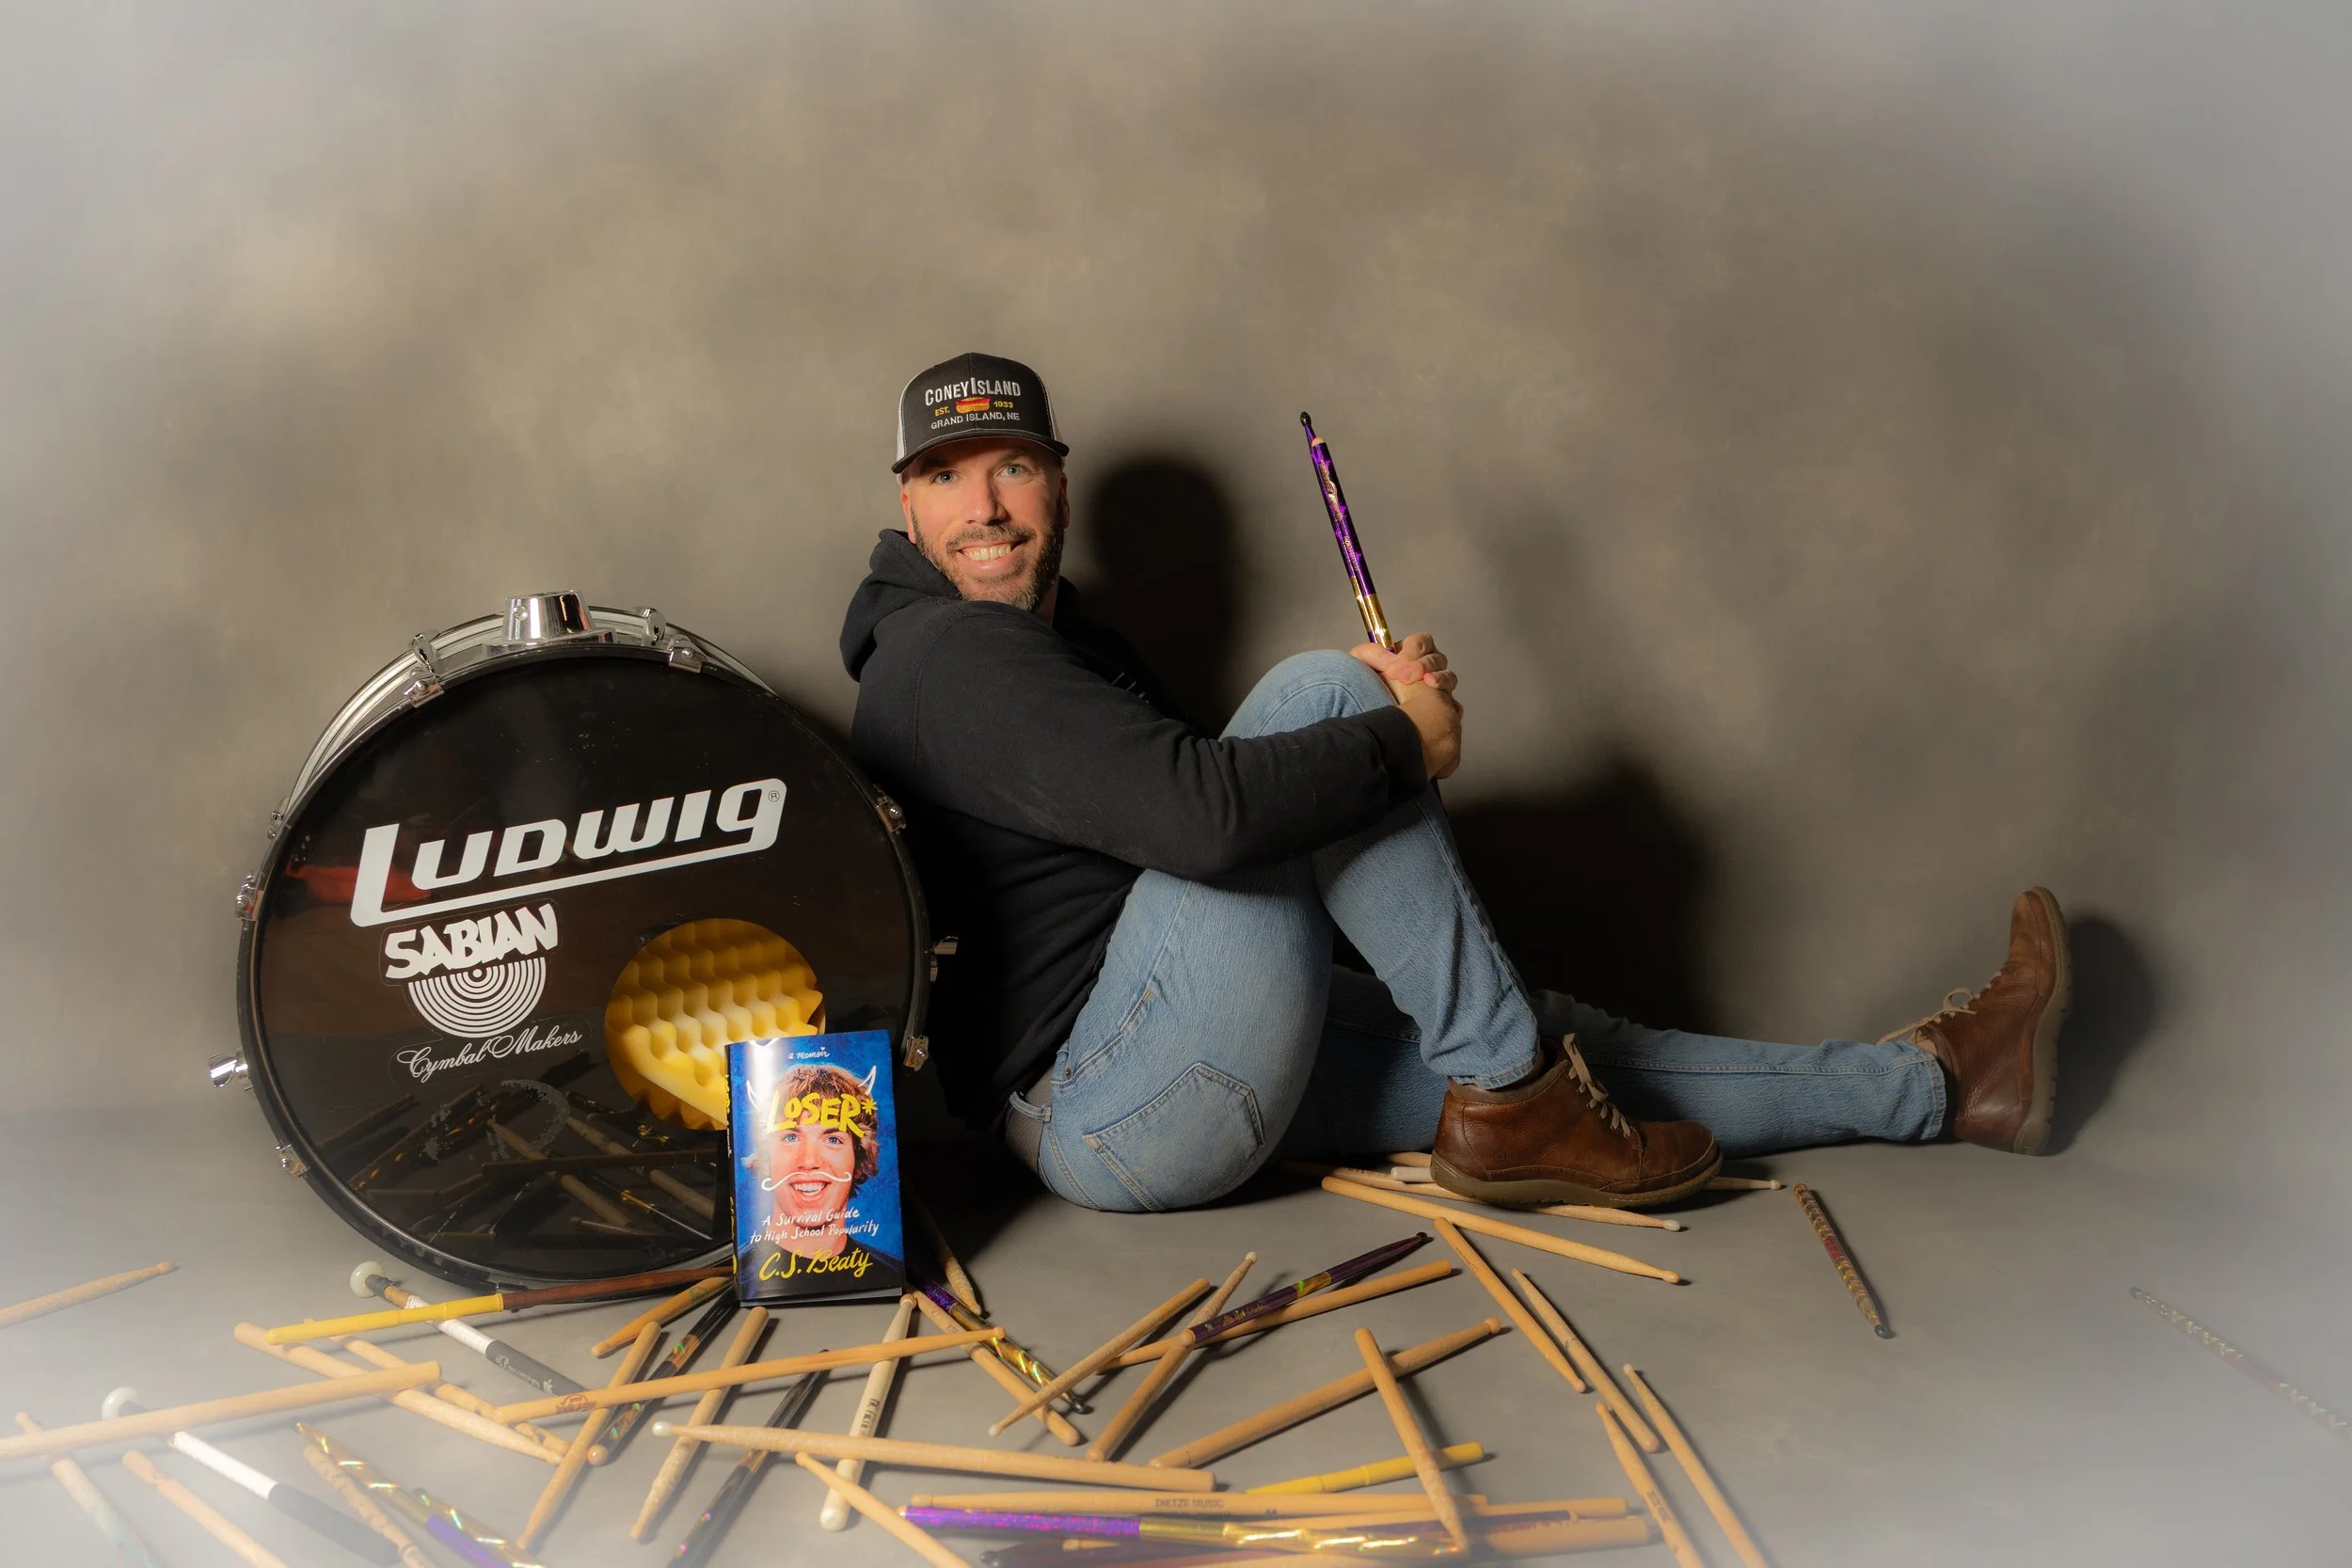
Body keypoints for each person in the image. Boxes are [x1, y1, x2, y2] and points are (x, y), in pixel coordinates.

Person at [839, 351, 2070, 1214]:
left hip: (1175, 1052)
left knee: (1563, 1040)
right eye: (947, 476)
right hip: (1110, 1104)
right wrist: (1392, 736)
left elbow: (1219, 812)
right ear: (907, 502)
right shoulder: (949, 656)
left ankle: (1939, 1085)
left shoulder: (1065, 646)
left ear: (1058, 482)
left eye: (1011, 466)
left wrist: (1376, 729)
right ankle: (1511, 1094)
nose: (985, 506)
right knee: (1321, 693)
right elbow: (1209, 819)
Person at [758, 1062, 881, 1259]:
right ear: (766, 1159)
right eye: (791, 1138)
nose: (809, 1161)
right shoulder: (743, 1274)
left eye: (832, 1140)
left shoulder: (888, 1272)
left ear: (858, 1160)